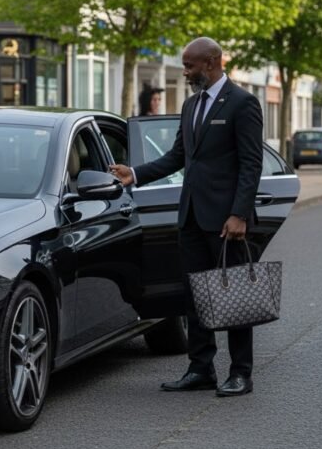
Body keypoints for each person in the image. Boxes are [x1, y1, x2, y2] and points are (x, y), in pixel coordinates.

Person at [110, 37, 263, 397]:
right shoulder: (191, 103)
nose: (186, 71)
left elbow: (251, 163)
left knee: (235, 296)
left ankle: (241, 373)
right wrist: (137, 173)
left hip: (227, 222)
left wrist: (239, 213)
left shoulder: (243, 103)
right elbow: (179, 155)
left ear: (211, 62)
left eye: (190, 65)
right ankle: (201, 369)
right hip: (191, 217)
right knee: (196, 296)